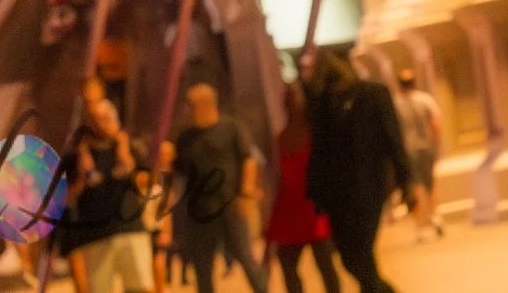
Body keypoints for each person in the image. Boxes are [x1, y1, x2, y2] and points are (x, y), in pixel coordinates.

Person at [305, 52, 412, 293]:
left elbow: (393, 138)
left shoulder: (374, 95)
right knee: (346, 255)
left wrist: (405, 179)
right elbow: (318, 149)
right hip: (336, 194)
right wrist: (315, 193)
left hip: (370, 186)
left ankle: (374, 289)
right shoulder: (323, 103)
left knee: (362, 250)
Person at [161, 86, 266, 293]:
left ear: (207, 104)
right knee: (202, 266)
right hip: (199, 213)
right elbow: (179, 171)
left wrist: (246, 192)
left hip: (229, 206)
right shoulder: (185, 137)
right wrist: (167, 161)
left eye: (192, 106)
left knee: (245, 258)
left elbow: (248, 160)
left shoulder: (231, 127)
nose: (188, 111)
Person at [61, 95, 154, 293]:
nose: (101, 125)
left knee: (141, 288)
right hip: (95, 236)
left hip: (130, 229)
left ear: (116, 120)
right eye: (95, 120)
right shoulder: (75, 155)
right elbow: (64, 200)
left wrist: (127, 160)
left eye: (106, 119)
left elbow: (149, 183)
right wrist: (81, 178)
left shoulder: (130, 146)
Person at [265, 84, 337, 293]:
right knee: (324, 265)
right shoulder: (312, 136)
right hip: (310, 208)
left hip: (294, 210)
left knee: (294, 265)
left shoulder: (283, 140)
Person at [390, 69, 443, 242]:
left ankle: (421, 225)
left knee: (415, 186)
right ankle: (435, 214)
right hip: (426, 146)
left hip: (408, 150)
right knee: (430, 182)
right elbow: (435, 123)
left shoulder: (396, 104)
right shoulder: (425, 99)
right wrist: (435, 143)